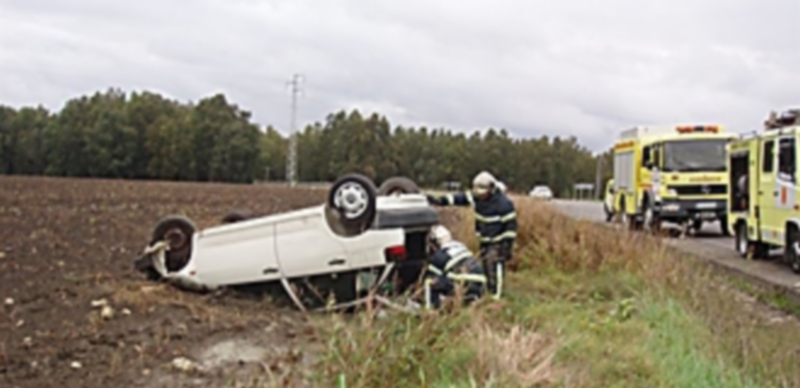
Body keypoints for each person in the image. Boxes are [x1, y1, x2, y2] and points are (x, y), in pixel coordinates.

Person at [426, 171, 517, 299]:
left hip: (498, 242)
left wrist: (507, 246)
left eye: (483, 193)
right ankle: (487, 292)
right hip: (484, 239)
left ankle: (496, 296)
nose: (481, 196)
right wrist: (439, 200)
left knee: (495, 267)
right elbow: (458, 199)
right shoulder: (477, 197)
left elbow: (511, 227)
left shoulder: (504, 204)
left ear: (491, 189)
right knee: (485, 266)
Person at [423, 225, 487, 309]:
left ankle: (430, 310)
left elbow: (431, 276)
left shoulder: (439, 255)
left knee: (429, 282)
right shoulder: (460, 246)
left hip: (462, 284)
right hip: (481, 283)